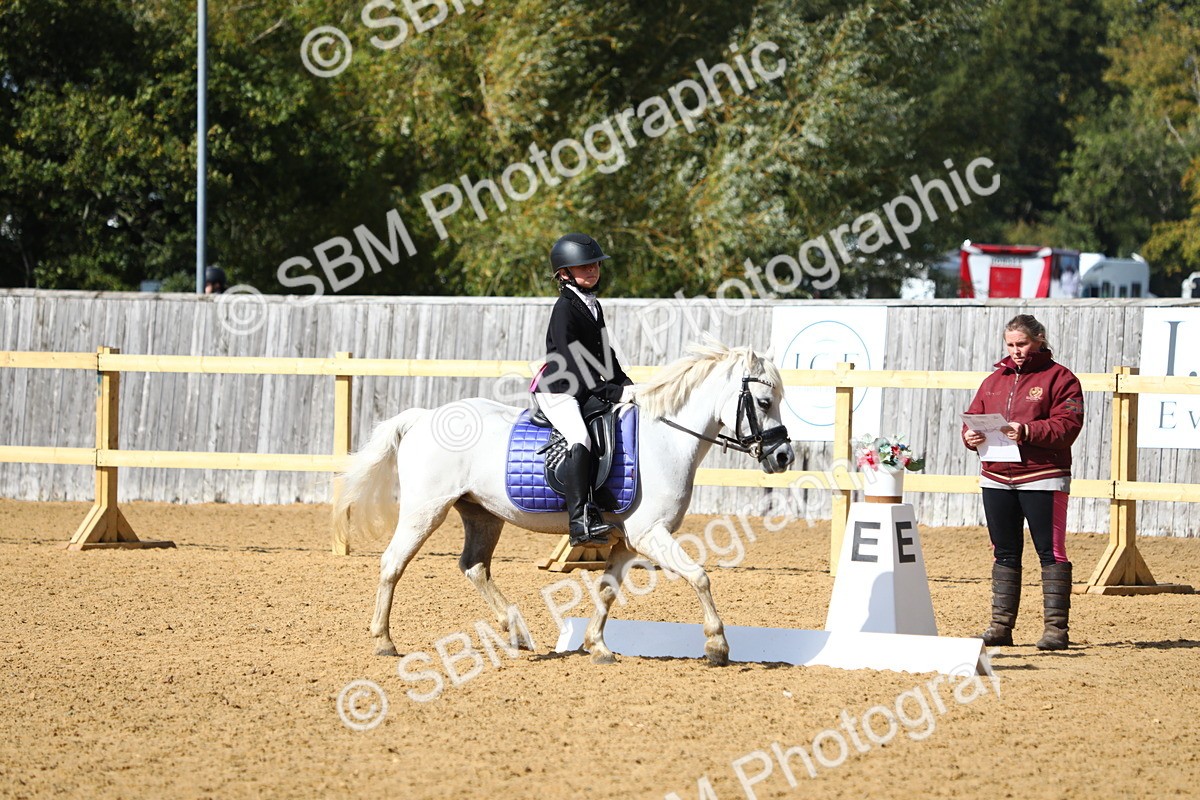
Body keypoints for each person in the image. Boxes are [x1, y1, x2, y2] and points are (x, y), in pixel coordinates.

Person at [962, 314, 1084, 651]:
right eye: (1011, 345)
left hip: (1043, 476)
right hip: (996, 476)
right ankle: (1001, 627)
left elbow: (1068, 427)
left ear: (1040, 339)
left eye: (1023, 344)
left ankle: (1056, 631)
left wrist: (1026, 431)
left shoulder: (1062, 379)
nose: (1016, 351)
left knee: (1051, 552)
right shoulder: (992, 381)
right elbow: (975, 415)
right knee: (1004, 552)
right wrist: (969, 436)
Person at [531, 233, 634, 547]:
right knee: (581, 437)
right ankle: (578, 523)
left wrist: (624, 383)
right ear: (564, 273)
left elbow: (604, 351)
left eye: (595, 265)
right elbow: (568, 356)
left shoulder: (593, 304)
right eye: (584, 266)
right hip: (559, 388)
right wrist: (603, 391)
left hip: (584, 386)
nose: (592, 270)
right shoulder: (564, 308)